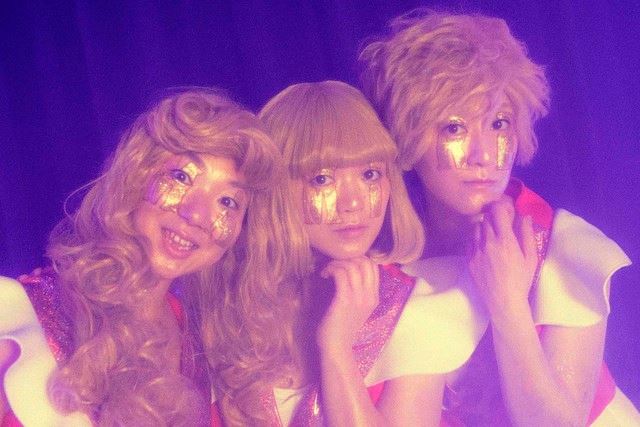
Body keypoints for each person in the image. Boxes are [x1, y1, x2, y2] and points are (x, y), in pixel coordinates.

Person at [358, 9, 638, 426]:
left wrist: (508, 305)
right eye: (454, 128)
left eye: (499, 123)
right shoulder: (381, 263)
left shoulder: (564, 245)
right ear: (406, 135)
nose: (484, 155)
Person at [0, 88, 296, 426]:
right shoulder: (20, 317)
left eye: (227, 202)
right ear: (137, 175)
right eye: (182, 177)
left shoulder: (202, 344)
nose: (197, 215)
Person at [207, 79, 482, 426]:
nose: (352, 203)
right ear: (276, 189)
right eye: (322, 179)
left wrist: (336, 347)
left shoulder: (418, 306)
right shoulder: (225, 311)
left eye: (370, 174)